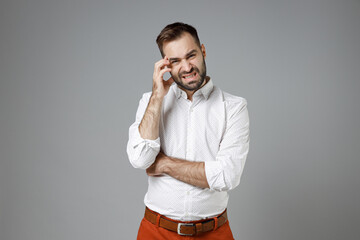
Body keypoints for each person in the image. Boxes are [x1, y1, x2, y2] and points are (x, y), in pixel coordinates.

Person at [127, 22, 250, 239]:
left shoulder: (233, 107)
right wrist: (157, 96)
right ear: (166, 66)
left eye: (191, 55)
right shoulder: (150, 102)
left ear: (203, 51)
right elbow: (140, 159)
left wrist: (164, 163)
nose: (186, 67)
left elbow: (227, 175)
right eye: (175, 61)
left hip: (214, 233)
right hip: (156, 232)